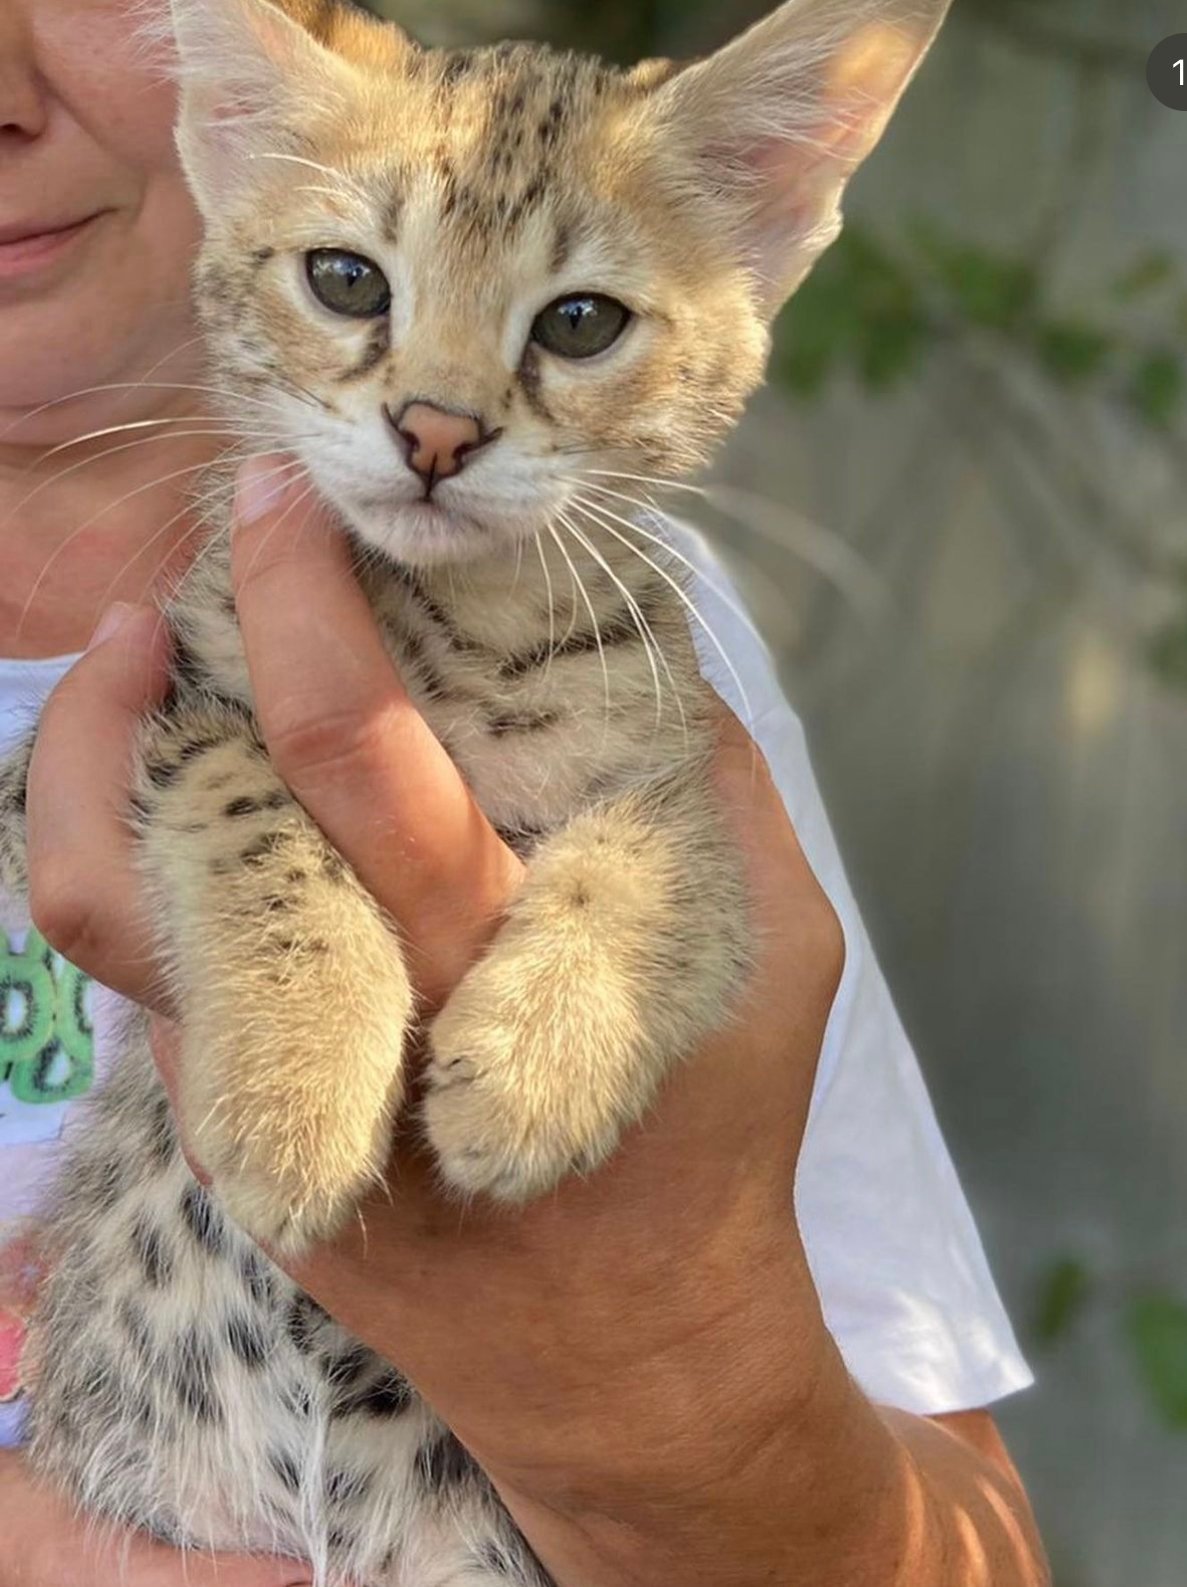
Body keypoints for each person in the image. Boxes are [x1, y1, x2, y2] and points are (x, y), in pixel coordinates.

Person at [0, 2, 1050, 1582]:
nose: (440, 421)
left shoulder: (658, 630)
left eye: (574, 325)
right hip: (161, 1447)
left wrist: (667, 1372)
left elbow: (954, 1545)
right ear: (240, 140)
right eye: (353, 286)